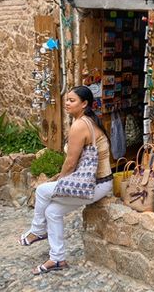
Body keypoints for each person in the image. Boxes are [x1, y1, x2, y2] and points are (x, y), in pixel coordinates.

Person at [19, 86, 113, 274]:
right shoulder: (88, 121)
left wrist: (60, 182)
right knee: (53, 212)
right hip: (99, 183)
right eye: (67, 99)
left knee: (42, 191)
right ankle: (57, 259)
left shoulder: (79, 125)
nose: (67, 103)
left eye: (72, 100)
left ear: (84, 104)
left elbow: (70, 163)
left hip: (95, 185)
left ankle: (37, 231)